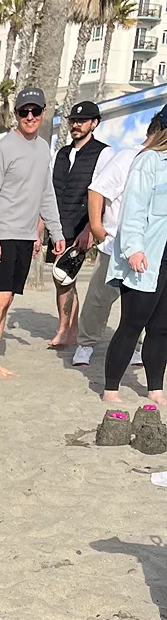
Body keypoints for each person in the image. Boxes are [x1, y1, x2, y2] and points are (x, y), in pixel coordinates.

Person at [0, 88, 65, 378]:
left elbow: (46, 193)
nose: (29, 117)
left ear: (43, 112)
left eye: (35, 111)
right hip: (2, 234)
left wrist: (56, 230)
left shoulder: (43, 149)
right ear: (16, 114)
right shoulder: (2, 149)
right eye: (23, 112)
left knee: (8, 299)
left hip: (27, 236)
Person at [102, 113, 167, 406]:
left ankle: (155, 388)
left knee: (162, 326)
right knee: (133, 322)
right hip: (146, 254)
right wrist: (133, 248)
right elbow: (133, 209)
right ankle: (111, 387)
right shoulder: (148, 161)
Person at [75, 121, 150, 368]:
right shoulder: (127, 157)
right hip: (115, 243)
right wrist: (96, 225)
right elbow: (97, 190)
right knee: (100, 297)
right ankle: (86, 343)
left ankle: (136, 347)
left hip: (147, 247)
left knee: (139, 301)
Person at [47, 100, 109, 350]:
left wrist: (90, 229)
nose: (75, 125)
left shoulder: (104, 153)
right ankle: (68, 328)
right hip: (59, 223)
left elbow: (100, 194)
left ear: (94, 124)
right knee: (61, 279)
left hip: (83, 225)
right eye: (73, 120)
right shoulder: (61, 153)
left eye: (81, 121)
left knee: (66, 276)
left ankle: (70, 331)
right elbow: (49, 191)